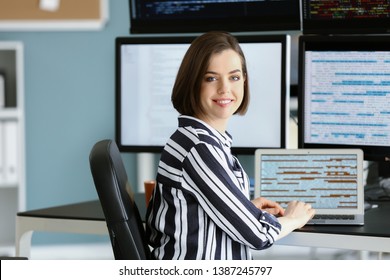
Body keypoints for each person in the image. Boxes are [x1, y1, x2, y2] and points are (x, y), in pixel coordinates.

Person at [145, 31, 315, 260]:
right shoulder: (200, 147)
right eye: (211, 78)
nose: (225, 89)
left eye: (234, 77)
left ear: (244, 80)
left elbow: (197, 211)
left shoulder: (192, 137)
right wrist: (293, 218)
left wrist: (241, 208)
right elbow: (258, 236)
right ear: (193, 83)